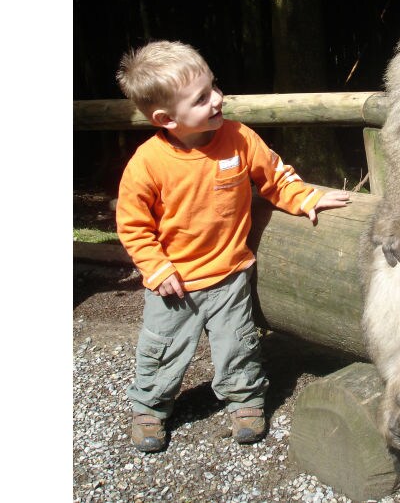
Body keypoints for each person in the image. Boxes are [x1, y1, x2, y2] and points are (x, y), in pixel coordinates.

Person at [114, 40, 351, 453]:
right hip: (174, 284)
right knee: (161, 350)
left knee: (238, 343)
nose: (218, 99)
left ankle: (245, 400)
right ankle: (150, 409)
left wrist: (307, 198)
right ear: (166, 118)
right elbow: (133, 226)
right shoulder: (147, 163)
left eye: (214, 87)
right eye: (202, 98)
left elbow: (275, 177)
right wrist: (157, 268)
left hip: (229, 273)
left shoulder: (239, 138)